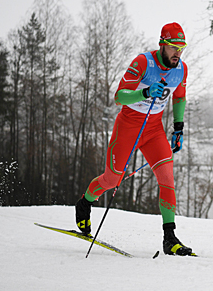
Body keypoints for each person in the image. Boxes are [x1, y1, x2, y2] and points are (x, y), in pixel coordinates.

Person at [75, 22, 193, 256]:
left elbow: (179, 98)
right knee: (112, 179)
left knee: (167, 180)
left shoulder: (181, 69)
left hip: (153, 130)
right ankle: (85, 203)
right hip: (128, 126)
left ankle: (170, 238)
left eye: (181, 47)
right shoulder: (143, 63)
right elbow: (119, 96)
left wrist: (178, 128)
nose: (177, 53)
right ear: (162, 44)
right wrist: (146, 92)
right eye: (173, 47)